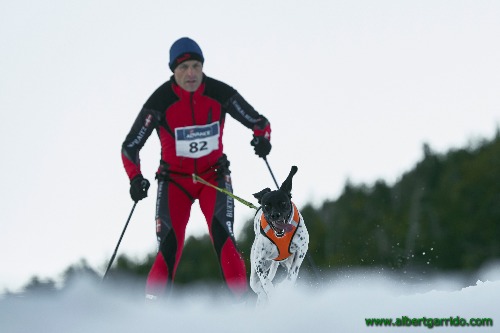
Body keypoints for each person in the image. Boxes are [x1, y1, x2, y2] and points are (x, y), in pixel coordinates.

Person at [121, 37, 272, 300]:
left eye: (195, 66)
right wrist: (136, 179)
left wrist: (262, 138)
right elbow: (130, 147)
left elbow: (259, 122)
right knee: (168, 247)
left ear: (202, 67)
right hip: (174, 182)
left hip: (213, 177)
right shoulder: (160, 101)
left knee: (224, 237)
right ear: (173, 71)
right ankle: (152, 313)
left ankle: (246, 308)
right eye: (183, 68)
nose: (191, 73)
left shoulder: (220, 93)